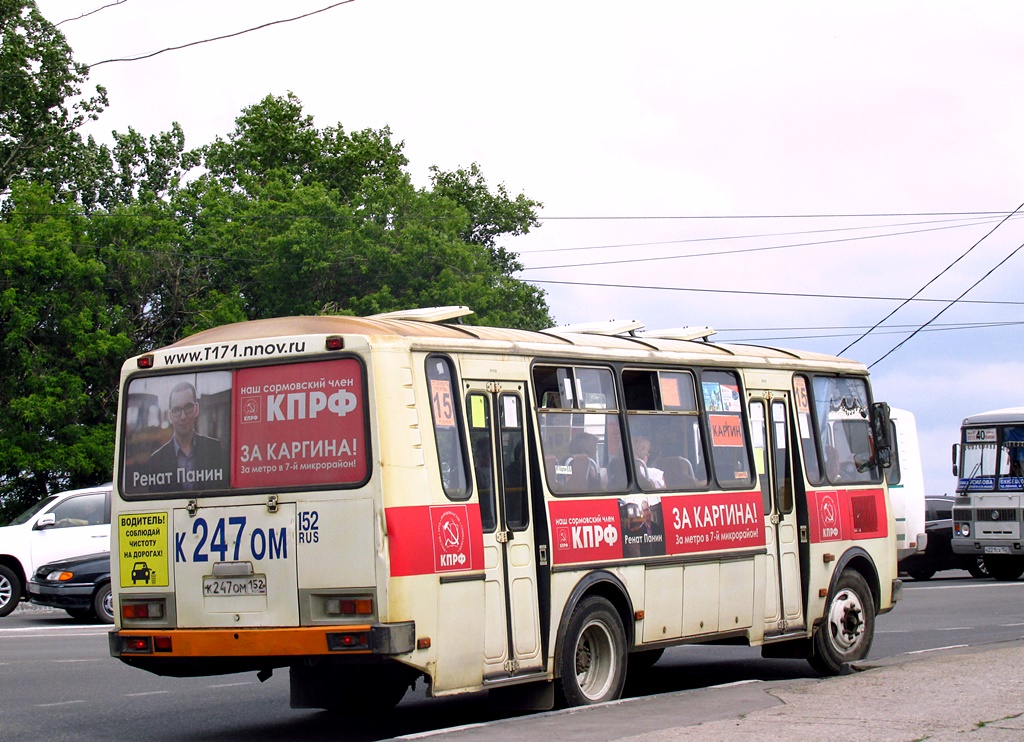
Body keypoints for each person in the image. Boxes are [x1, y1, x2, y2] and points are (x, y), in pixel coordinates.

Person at [147, 382, 228, 492]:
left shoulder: (214, 449)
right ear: (170, 416)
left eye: (188, 407)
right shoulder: (156, 460)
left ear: (196, 409)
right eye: (176, 410)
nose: (183, 416)